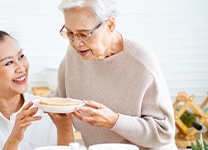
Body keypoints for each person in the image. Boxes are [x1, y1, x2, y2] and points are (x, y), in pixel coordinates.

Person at [48, 0, 177, 149]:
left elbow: (164, 132)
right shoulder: (75, 54)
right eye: (70, 33)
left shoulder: (141, 62)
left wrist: (114, 121)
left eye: (84, 34)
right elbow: (61, 101)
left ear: (110, 25)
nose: (76, 43)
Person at [0, 29, 74, 150]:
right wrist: (13, 140)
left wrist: (65, 129)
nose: (21, 67)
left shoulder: (47, 110)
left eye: (21, 56)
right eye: (8, 63)